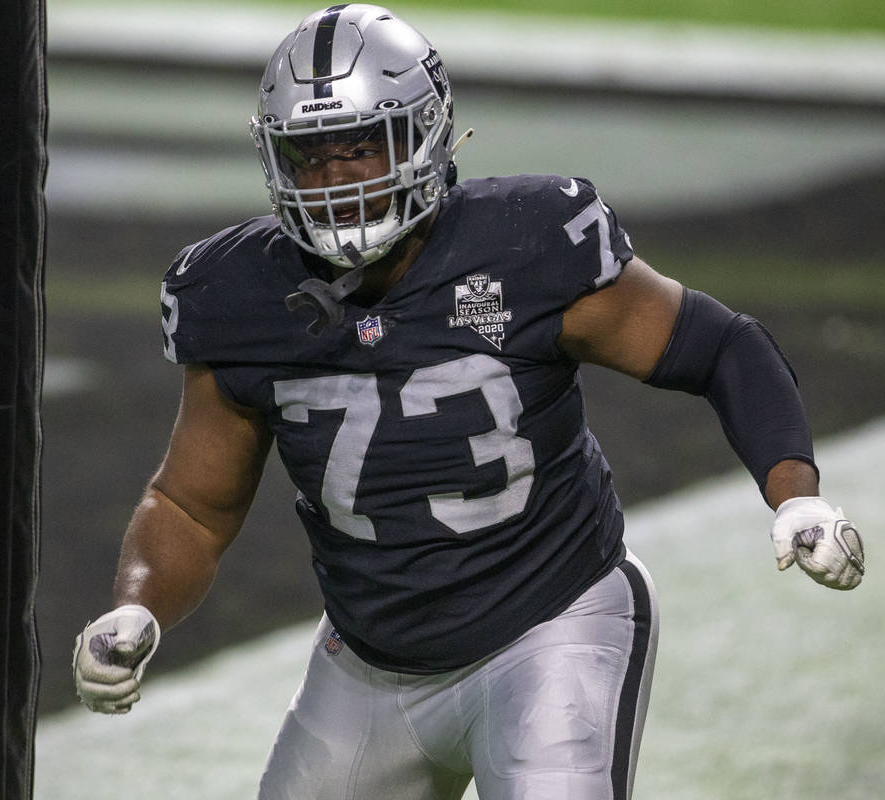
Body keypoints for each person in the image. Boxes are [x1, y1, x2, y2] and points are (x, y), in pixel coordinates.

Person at [72, 5, 866, 798]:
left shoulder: (526, 243)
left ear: (424, 134)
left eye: (361, 146)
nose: (338, 178)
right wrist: (138, 609)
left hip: (550, 626)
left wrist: (794, 496)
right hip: (368, 666)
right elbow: (191, 506)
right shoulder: (236, 293)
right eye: (310, 155)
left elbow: (719, 346)